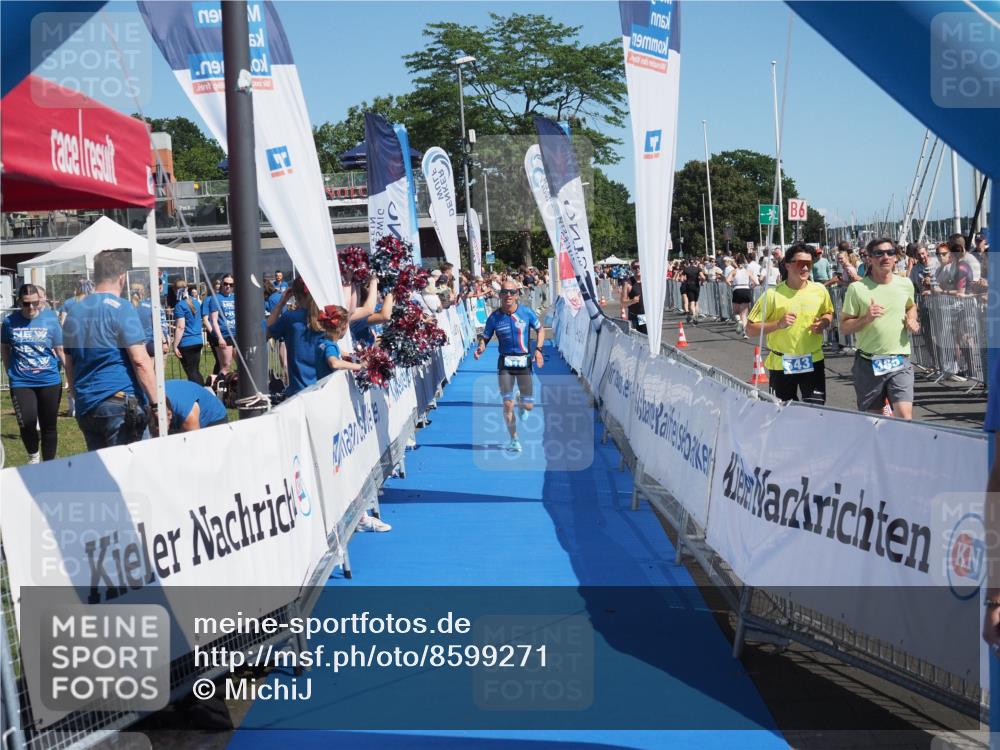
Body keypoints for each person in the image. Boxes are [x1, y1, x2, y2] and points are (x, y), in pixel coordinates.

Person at [63, 249, 158, 450]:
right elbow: (140, 361)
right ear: (122, 278)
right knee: (132, 473)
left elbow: (69, 363)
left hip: (87, 405)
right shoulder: (122, 308)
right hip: (119, 402)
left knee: (102, 474)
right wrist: (156, 404)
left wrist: (77, 396)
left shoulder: (73, 311)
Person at [839, 238, 920, 420]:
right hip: (868, 363)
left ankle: (900, 449)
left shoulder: (905, 284)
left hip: (900, 361)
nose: (885, 257)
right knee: (873, 421)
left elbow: (910, 306)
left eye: (890, 252)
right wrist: (866, 318)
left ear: (896, 257)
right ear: (869, 258)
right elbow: (844, 327)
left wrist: (912, 319)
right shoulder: (857, 289)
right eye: (879, 253)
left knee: (905, 416)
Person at [746, 244, 833, 404]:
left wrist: (824, 323)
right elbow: (750, 329)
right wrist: (778, 324)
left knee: (816, 412)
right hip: (782, 363)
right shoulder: (772, 295)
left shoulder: (820, 290)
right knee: (783, 414)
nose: (806, 268)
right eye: (800, 263)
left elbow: (828, 312)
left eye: (809, 263)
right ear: (787, 264)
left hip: (813, 361)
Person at [474, 280, 545, 453]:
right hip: (505, 364)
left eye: (512, 292)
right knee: (507, 404)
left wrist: (538, 350)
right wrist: (481, 347)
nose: (508, 295)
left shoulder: (526, 313)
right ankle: (514, 439)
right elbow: (485, 336)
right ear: (500, 295)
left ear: (517, 295)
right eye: (505, 292)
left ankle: (522, 401)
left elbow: (541, 330)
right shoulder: (494, 317)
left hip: (524, 362)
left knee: (529, 406)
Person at [2, 284, 67, 463]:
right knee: (27, 423)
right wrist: (10, 372)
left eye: (35, 303)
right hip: (21, 381)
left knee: (49, 425)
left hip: (49, 380)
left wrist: (72, 376)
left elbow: (60, 350)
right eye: (26, 304)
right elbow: (5, 348)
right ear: (20, 302)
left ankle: (49, 464)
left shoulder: (51, 319)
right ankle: (33, 456)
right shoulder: (9, 322)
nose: (31, 308)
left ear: (40, 301)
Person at [267, 277, 325, 397]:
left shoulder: (290, 318)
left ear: (295, 295)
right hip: (325, 386)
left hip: (299, 390)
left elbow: (268, 331)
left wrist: (281, 303)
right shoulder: (326, 317)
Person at [149, 379, 228, 435]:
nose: (157, 430)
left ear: (170, 415)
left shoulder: (187, 415)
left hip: (215, 419)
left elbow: (194, 444)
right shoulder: (150, 399)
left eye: (158, 426)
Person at [172, 280, 204, 385]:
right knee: (195, 370)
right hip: (198, 340)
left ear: (175, 290)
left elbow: (180, 327)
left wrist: (175, 345)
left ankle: (199, 394)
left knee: (192, 373)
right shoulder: (196, 302)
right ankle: (202, 392)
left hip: (186, 342)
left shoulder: (179, 306)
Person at [206, 273, 237, 377]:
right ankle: (220, 390)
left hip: (235, 334)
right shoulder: (216, 298)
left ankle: (235, 387)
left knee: (242, 363)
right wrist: (220, 338)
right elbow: (213, 320)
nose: (228, 286)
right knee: (225, 365)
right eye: (226, 284)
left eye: (231, 284)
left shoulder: (234, 297)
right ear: (222, 284)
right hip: (223, 334)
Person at [726, 255, 756, 337]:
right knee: (744, 314)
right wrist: (751, 287)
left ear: (736, 262)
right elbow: (756, 282)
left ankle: (739, 321)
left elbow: (727, 280)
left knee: (736, 312)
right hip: (746, 289)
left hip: (737, 289)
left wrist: (731, 286)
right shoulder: (748, 271)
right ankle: (745, 333)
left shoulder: (734, 271)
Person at [139, 280, 169, 358]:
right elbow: (156, 324)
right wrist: (164, 341)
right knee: (158, 367)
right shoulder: (154, 304)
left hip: (147, 341)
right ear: (160, 287)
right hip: (157, 341)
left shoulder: (143, 303)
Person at [622, 261, 646, 335]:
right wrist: (632, 301)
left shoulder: (647, 281)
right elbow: (623, 302)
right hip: (635, 316)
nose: (637, 269)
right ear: (632, 269)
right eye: (635, 268)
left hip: (647, 315)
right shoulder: (628, 283)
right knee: (637, 340)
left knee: (648, 339)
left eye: (639, 267)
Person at [681, 260, 705, 324]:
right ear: (695, 262)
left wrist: (685, 281)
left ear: (689, 263)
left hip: (689, 286)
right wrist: (702, 282)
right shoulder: (698, 269)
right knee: (696, 302)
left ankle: (694, 314)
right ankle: (696, 316)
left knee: (691, 302)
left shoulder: (686, 269)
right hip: (696, 286)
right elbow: (703, 277)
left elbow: (682, 279)